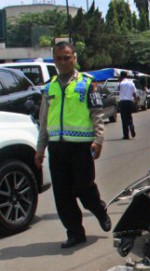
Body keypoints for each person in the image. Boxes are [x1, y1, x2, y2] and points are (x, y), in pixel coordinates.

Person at [34, 41, 111, 249]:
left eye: (67, 57)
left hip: (81, 147)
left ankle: (99, 209)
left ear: (74, 58)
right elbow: (44, 120)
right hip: (57, 148)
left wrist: (98, 140)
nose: (63, 62)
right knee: (62, 194)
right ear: (54, 60)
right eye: (59, 58)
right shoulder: (49, 87)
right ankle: (75, 233)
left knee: (84, 187)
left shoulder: (87, 83)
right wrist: (40, 148)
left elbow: (97, 114)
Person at [117, 71, 137, 139]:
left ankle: (126, 135)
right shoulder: (131, 83)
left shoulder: (120, 83)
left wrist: (119, 81)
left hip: (123, 102)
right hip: (129, 102)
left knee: (124, 119)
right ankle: (131, 125)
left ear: (121, 76)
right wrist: (136, 102)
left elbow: (117, 90)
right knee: (129, 116)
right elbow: (134, 93)